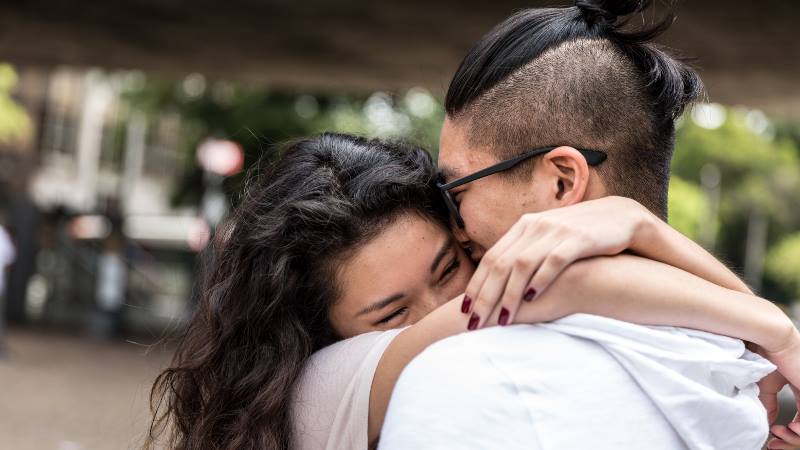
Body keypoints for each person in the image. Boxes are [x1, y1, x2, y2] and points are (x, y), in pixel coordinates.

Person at [146, 133, 798, 450]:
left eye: (449, 270)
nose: (448, 316)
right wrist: (776, 332)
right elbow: (557, 285)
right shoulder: (319, 388)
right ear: (321, 333)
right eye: (392, 313)